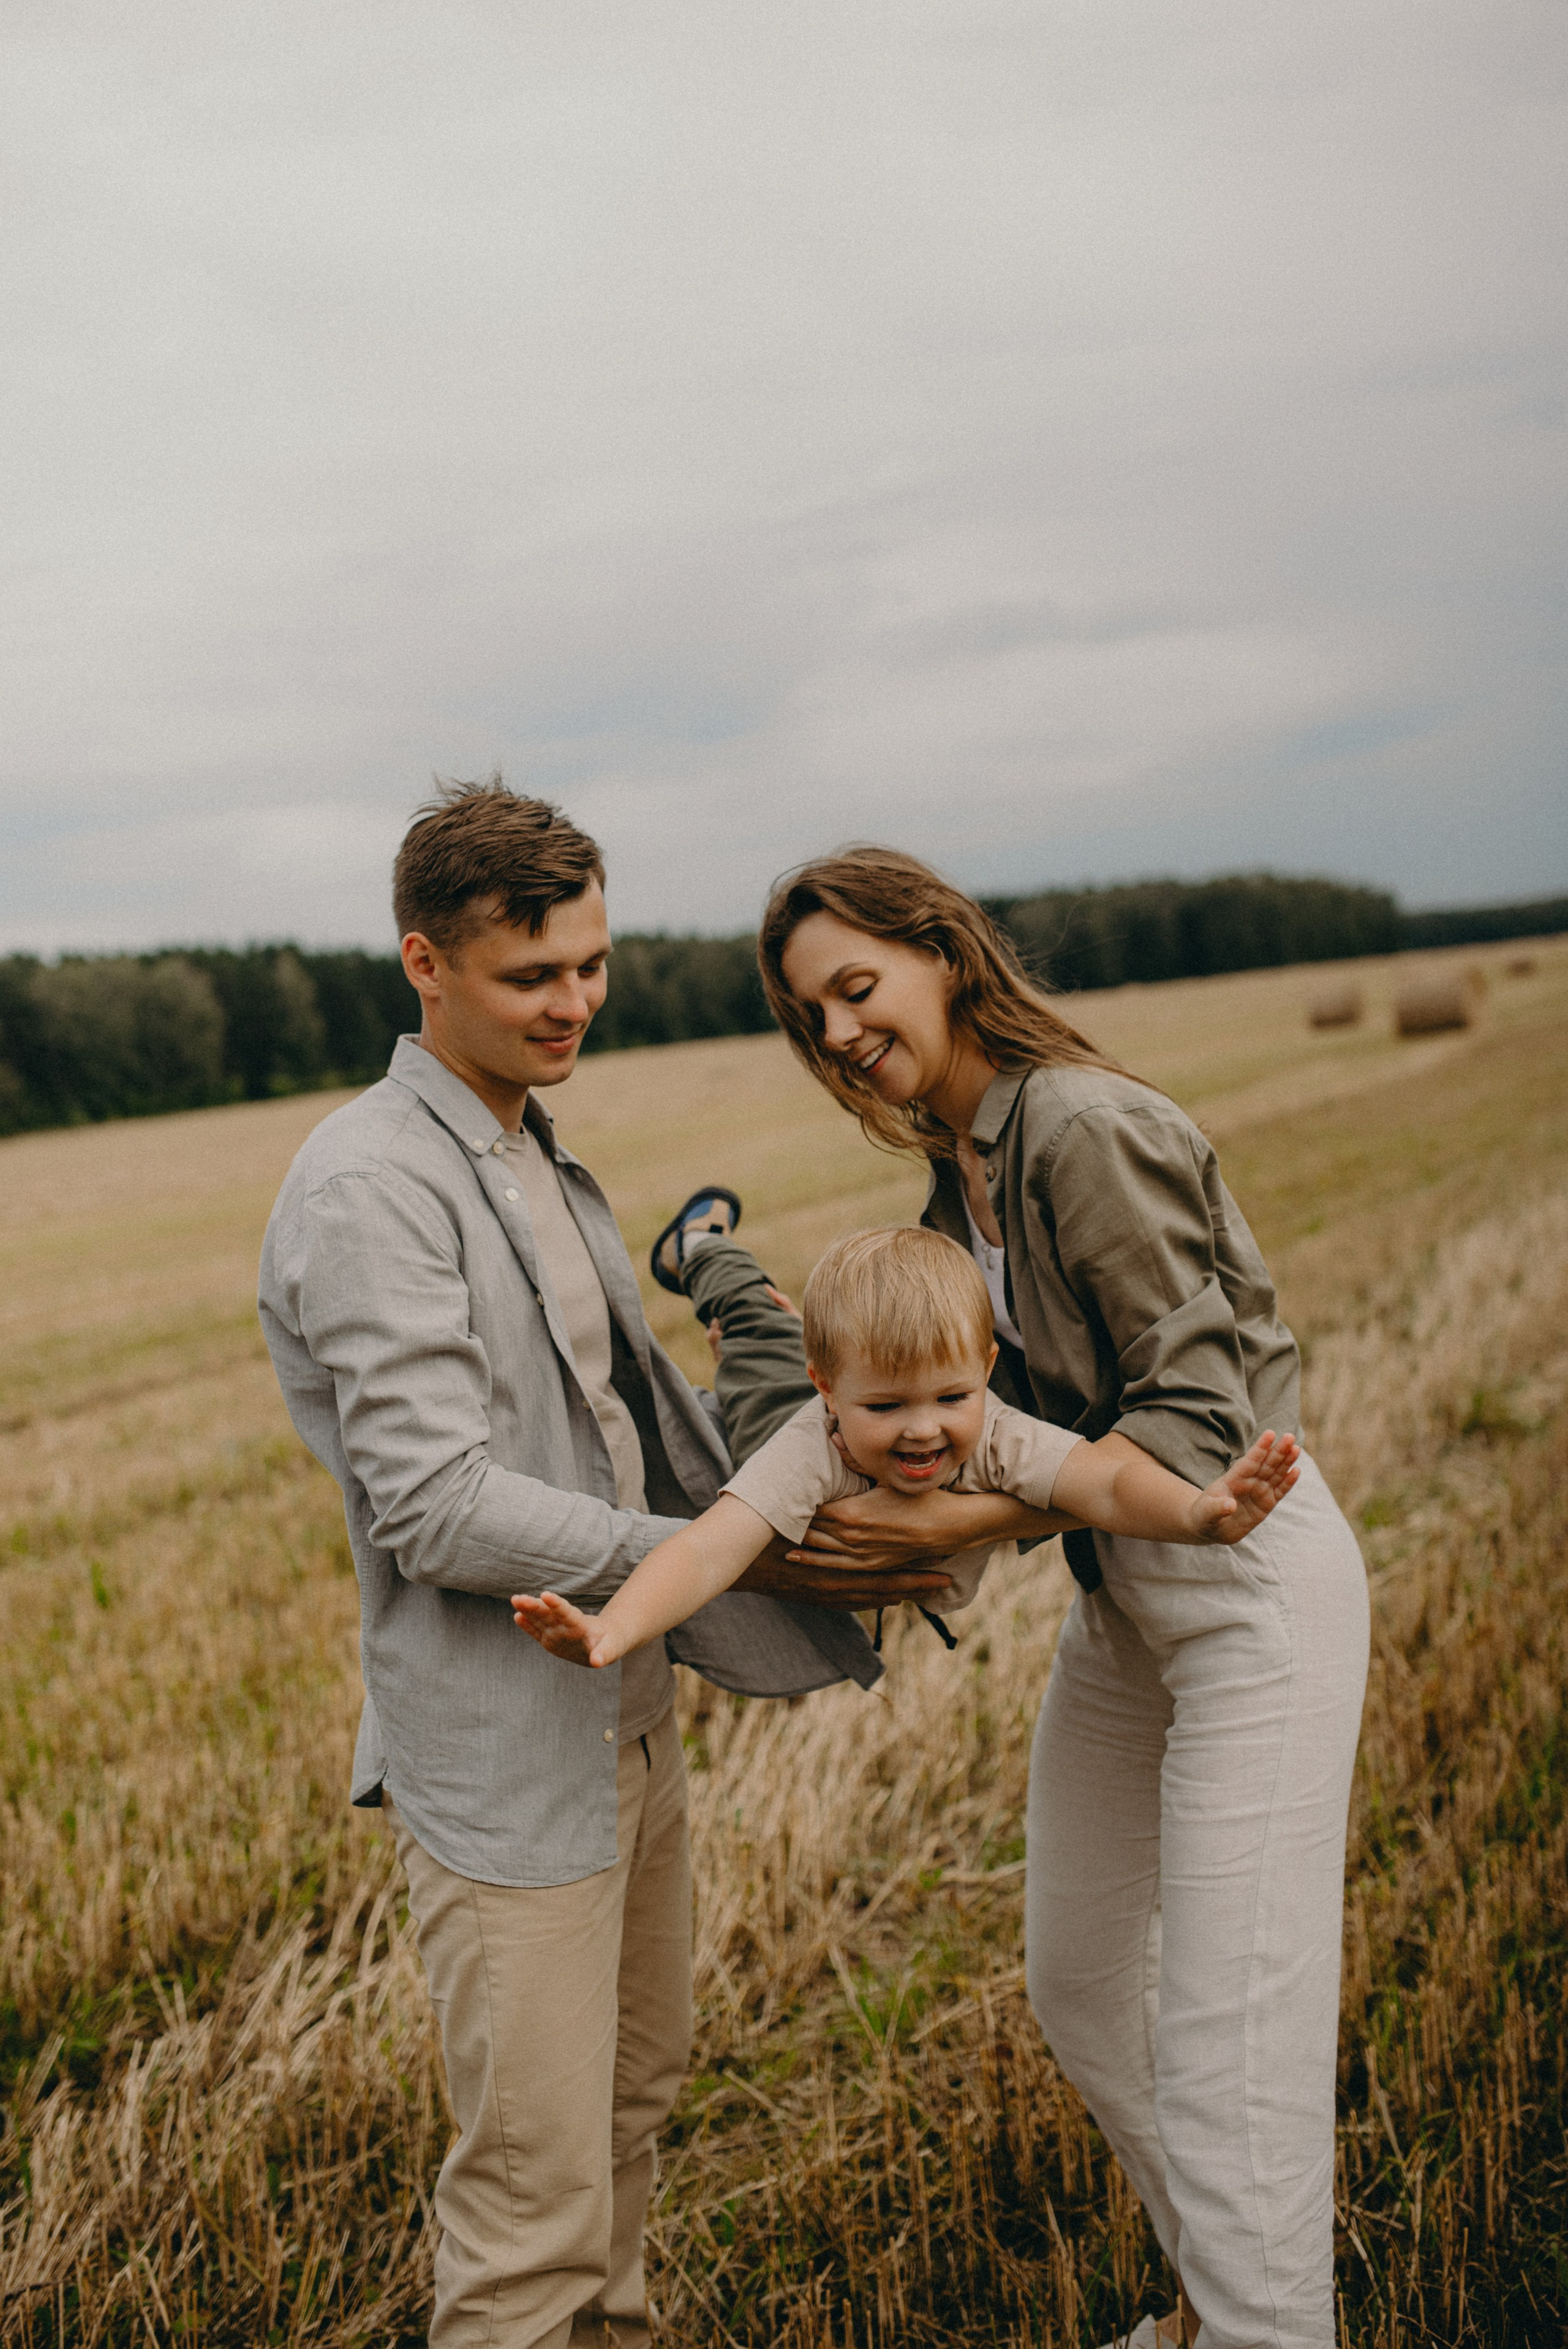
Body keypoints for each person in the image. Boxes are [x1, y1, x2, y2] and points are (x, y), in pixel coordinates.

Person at [255, 783, 931, 2349]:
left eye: (592, 965)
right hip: (502, 1760)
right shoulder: (372, 1182)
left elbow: (622, 1430)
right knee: (531, 2205)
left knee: (629, 2108)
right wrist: (724, 1551)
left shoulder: (529, 1152)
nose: (575, 1004)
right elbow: (431, 1502)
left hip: (623, 1717)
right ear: (424, 964)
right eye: (532, 975)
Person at [674, 846, 1368, 2349]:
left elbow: (1191, 1419)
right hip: (1128, 1602)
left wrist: (964, 1513)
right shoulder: (955, 1174)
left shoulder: (1082, 1129)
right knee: (1079, 1978)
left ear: (940, 951)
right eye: (812, 1016)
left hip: (1245, 1580)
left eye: (856, 985)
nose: (841, 1030)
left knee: (1225, 2041)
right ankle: (1232, 2300)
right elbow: (975, 1412)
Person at [513, 1224, 1300, 1672]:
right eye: (890, 1407)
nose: (924, 1429)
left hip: (835, 1375)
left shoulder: (992, 1426)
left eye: (950, 1398)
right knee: (754, 1331)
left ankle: (778, 1316)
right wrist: (613, 1628)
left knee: (802, 1340)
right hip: (772, 1416)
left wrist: (1200, 1512)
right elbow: (706, 1553)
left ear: (986, 1372)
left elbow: (1107, 1485)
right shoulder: (806, 1442)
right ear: (831, 1393)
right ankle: (706, 1245)